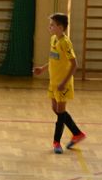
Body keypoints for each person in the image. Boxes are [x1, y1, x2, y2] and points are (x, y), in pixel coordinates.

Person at [33, 13, 87, 154]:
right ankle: (77, 133)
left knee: (60, 113)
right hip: (54, 82)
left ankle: (56, 142)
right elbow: (53, 60)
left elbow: (74, 64)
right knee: (56, 109)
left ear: (61, 28)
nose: (49, 27)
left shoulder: (65, 43)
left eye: (52, 25)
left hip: (63, 84)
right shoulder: (53, 39)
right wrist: (42, 69)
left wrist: (64, 82)